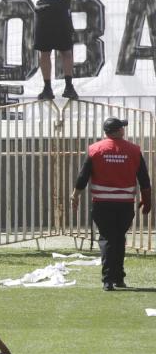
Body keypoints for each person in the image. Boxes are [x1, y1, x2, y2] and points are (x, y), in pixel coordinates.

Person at [71, 117, 151, 290]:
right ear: (118, 131)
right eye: (122, 127)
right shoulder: (134, 150)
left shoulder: (95, 149)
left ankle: (108, 280)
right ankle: (119, 278)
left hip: (102, 203)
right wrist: (147, 199)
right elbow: (144, 179)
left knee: (107, 239)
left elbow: (83, 176)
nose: (124, 129)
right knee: (119, 238)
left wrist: (75, 195)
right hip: (125, 204)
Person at [31, 0, 85, 101]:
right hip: (62, 8)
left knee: (44, 51)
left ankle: (47, 88)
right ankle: (69, 86)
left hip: (43, 7)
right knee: (66, 51)